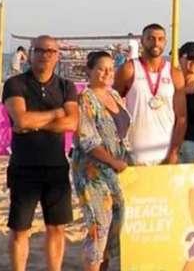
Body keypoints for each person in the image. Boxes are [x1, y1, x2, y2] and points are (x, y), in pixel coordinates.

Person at [2, 35, 78, 271]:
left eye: (51, 51)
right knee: (20, 229)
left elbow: (73, 123)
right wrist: (56, 114)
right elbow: (21, 119)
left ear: (57, 55)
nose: (45, 55)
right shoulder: (15, 84)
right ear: (30, 54)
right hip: (24, 167)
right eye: (40, 50)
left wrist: (33, 123)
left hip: (56, 167)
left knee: (56, 228)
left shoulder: (67, 86)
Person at [72, 51, 130, 271]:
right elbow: (87, 140)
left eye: (110, 68)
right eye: (101, 68)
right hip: (92, 171)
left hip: (114, 172)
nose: (107, 73)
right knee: (99, 226)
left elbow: (123, 134)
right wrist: (114, 163)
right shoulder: (85, 98)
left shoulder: (114, 95)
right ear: (89, 70)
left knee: (116, 222)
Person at [113, 23, 187, 165]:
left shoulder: (174, 73)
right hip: (134, 154)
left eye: (160, 39)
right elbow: (112, 106)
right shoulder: (129, 69)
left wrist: (173, 152)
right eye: (151, 38)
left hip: (164, 154)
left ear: (165, 42)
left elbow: (181, 117)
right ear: (142, 41)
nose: (156, 43)